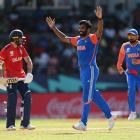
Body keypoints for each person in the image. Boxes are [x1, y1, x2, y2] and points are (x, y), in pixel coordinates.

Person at [46, 6, 115, 131]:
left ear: (88, 29)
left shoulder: (92, 38)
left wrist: (100, 19)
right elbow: (64, 38)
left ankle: (83, 123)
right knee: (93, 95)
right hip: (83, 71)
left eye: (83, 28)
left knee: (86, 96)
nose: (80, 30)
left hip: (91, 69)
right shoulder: (77, 40)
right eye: (79, 28)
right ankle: (110, 117)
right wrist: (53, 28)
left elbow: (100, 32)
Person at [0, 29, 35, 130]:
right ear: (14, 39)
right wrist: (2, 77)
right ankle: (10, 124)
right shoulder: (5, 50)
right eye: (20, 38)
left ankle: (25, 123)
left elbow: (29, 61)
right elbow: (1, 65)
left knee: (27, 96)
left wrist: (29, 73)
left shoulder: (21, 48)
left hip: (21, 77)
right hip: (10, 78)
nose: (22, 40)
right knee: (12, 97)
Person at [117, 28, 140, 120]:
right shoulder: (125, 46)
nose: (130, 36)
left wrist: (138, 60)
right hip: (130, 73)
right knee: (131, 90)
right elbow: (121, 57)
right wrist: (119, 66)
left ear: (137, 36)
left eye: (133, 35)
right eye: (129, 35)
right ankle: (133, 112)